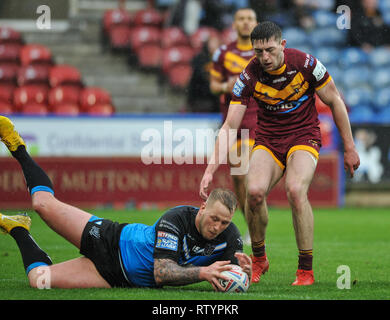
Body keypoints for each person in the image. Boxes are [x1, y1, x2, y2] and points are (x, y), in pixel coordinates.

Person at [0, 116, 252, 290]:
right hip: (109, 240)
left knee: (38, 280)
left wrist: (244, 275)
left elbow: (232, 274)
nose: (218, 226)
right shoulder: (176, 218)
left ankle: (19, 229)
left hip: (114, 277)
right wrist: (203, 273)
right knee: (42, 204)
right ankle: (18, 146)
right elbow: (161, 273)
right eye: (215, 218)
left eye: (224, 222)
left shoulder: (230, 236)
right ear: (203, 206)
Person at [200, 21, 360, 285]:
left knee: (296, 191)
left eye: (270, 50)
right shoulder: (249, 75)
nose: (264, 58)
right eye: (258, 52)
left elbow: (335, 101)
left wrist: (350, 147)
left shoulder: (306, 64)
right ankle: (260, 259)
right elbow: (230, 125)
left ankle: (305, 270)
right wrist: (209, 169)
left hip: (303, 136)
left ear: (282, 45)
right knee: (253, 193)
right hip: (269, 141)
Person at [209, 7, 258, 238]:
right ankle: (251, 222)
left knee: (244, 171)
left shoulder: (263, 52)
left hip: (258, 121)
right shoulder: (222, 53)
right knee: (238, 177)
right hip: (232, 122)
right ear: (235, 24)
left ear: (256, 23)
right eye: (241, 19)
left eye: (250, 19)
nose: (246, 22)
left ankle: (254, 226)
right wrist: (225, 87)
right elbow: (213, 86)